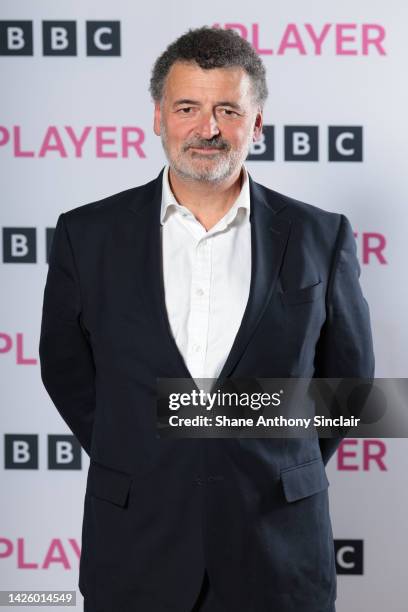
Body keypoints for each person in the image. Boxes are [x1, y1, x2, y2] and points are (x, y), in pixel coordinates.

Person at [39, 26, 375, 612]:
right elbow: (68, 372)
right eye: (188, 107)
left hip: (278, 549)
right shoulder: (87, 235)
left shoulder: (322, 236)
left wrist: (268, 452)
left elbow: (348, 385)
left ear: (257, 122)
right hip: (136, 545)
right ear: (158, 117)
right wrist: (143, 447)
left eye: (227, 109)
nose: (208, 128)